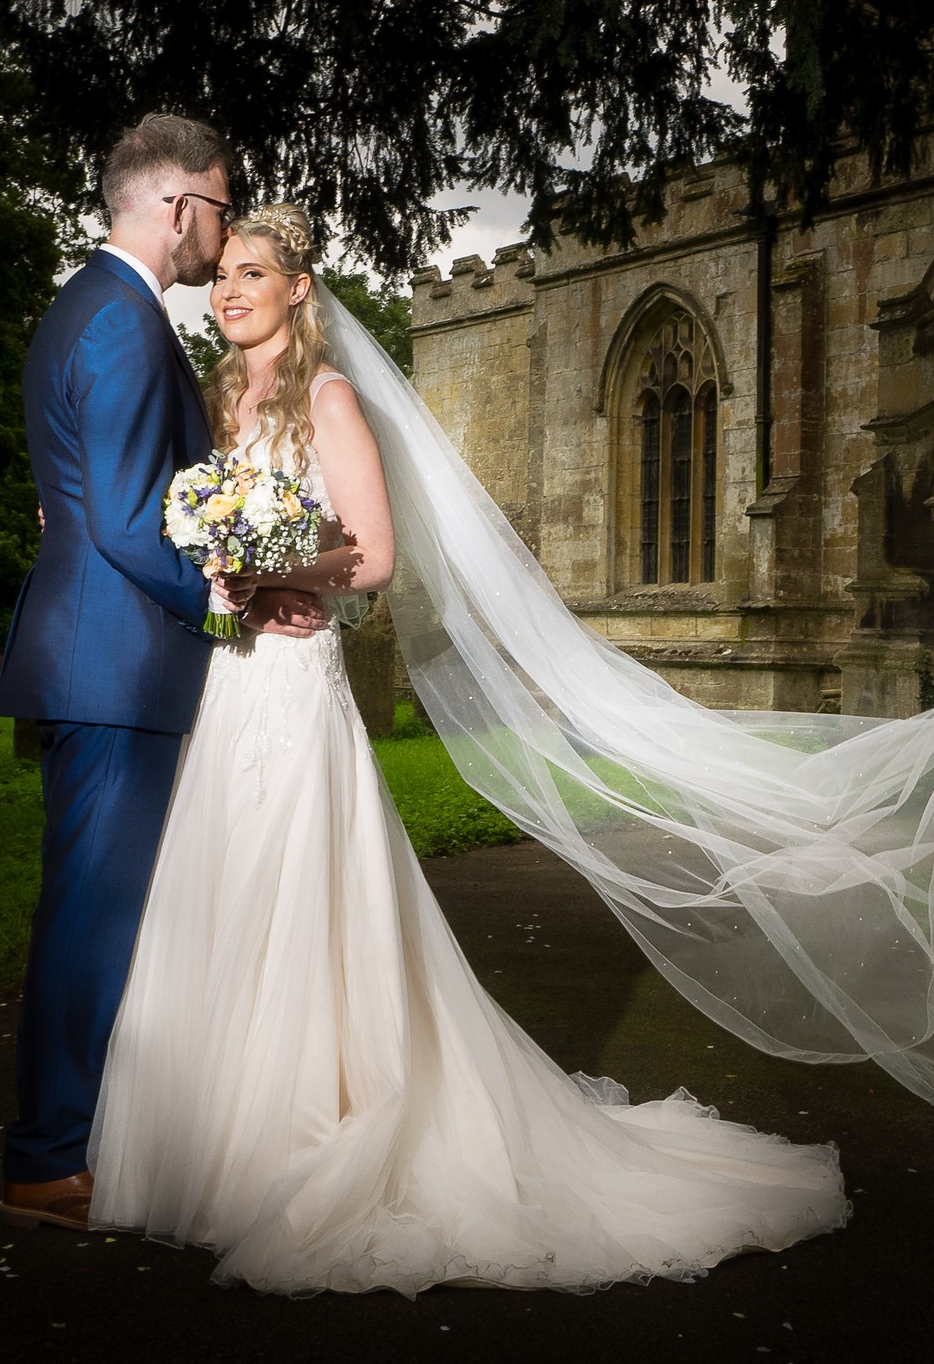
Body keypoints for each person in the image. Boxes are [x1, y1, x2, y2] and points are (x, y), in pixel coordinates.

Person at [85, 205, 853, 1293]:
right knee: (220, 884)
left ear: (300, 289)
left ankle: (309, 1135)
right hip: (226, 678)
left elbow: (372, 557)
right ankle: (208, 1146)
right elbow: (178, 520)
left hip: (293, 679)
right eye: (224, 277)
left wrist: (275, 578)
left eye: (255, 275)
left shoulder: (327, 397)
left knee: (297, 890)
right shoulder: (211, 401)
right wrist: (207, 566)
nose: (231, 292)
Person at [0, 122, 326, 1232]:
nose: (227, 229)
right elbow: (135, 522)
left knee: (92, 907)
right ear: (181, 206)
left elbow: (89, 500)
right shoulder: (125, 323)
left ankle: (70, 1139)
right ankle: (48, 1158)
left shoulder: (82, 307)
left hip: (95, 655)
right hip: (117, 662)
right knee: (93, 915)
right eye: (225, 209)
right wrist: (224, 599)